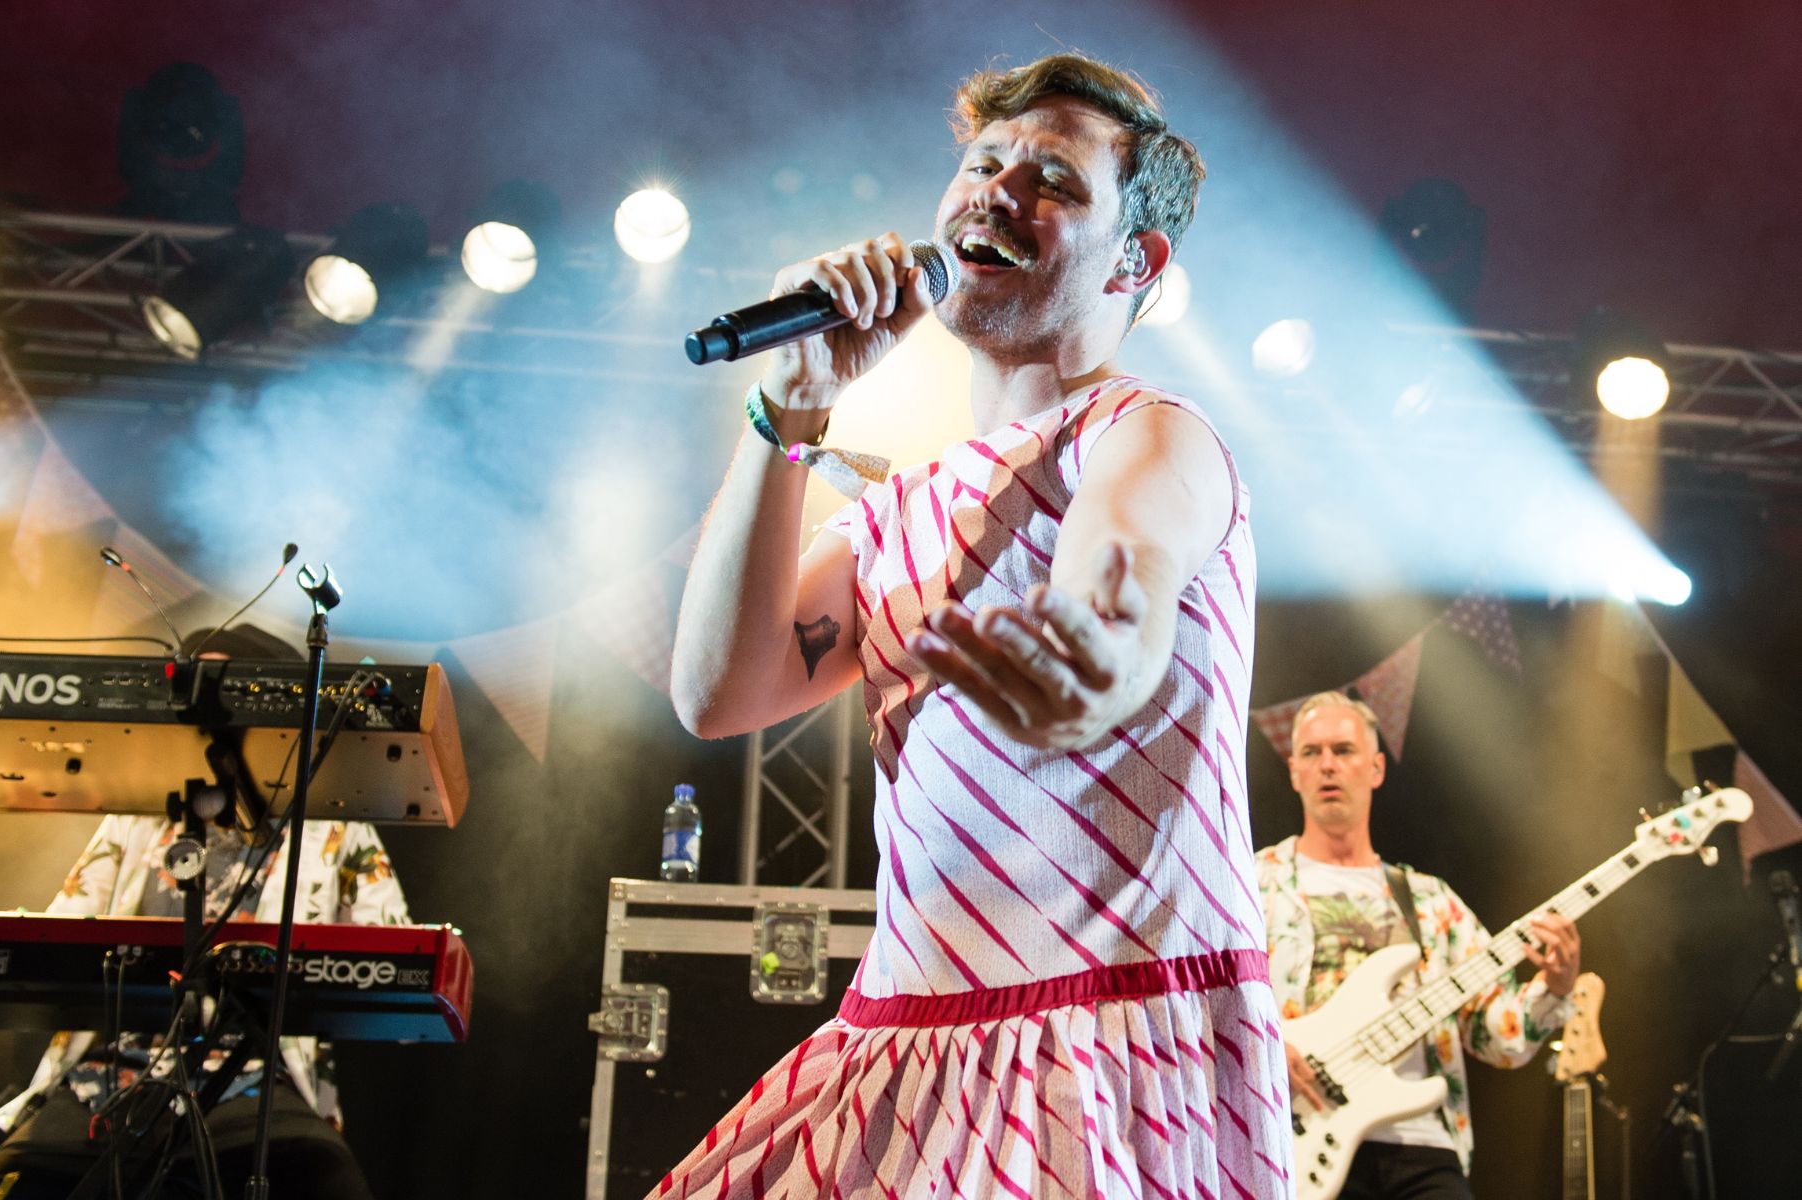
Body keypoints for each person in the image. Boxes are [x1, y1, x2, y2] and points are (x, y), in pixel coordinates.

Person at [665, 52, 1289, 1198]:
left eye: (1051, 178)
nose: (996, 191)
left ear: (1134, 260)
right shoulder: (895, 509)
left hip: (1104, 1035)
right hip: (903, 1039)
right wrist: (793, 406)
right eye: (982, 163)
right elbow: (716, 694)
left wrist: (1096, 668)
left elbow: (1123, 574)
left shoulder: (1147, 433)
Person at [0, 628, 408, 1200]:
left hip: (257, 1077)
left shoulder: (329, 822)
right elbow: (63, 937)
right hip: (104, 1076)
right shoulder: (137, 815)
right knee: (4, 1188)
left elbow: (394, 958)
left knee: (327, 1184)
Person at [1256, 692, 1581, 1198]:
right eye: (1311, 753)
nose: (1327, 765)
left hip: (1422, 1145)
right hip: (1295, 1138)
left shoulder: (1432, 902)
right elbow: (1204, 1000)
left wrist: (1555, 988)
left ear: (1376, 768)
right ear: (1294, 771)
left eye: (1343, 750)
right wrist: (1264, 1040)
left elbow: (1499, 1036)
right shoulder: (1253, 885)